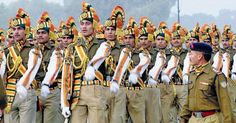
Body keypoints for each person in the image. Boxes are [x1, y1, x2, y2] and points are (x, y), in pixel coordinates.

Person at [61, 2, 108, 123]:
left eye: (87, 23)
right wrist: (64, 103)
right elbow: (65, 76)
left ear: (94, 26)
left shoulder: (103, 44)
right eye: (81, 24)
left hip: (96, 90)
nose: (84, 27)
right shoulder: (72, 47)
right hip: (77, 92)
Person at [180, 42, 233, 123]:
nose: (189, 57)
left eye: (191, 54)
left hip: (211, 120)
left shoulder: (216, 75)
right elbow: (188, 101)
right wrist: (183, 119)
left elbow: (225, 102)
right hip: (193, 119)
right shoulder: (192, 74)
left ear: (199, 56)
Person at [5, 8, 42, 123]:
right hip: (9, 93)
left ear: (26, 31)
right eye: (14, 29)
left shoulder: (34, 50)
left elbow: (36, 72)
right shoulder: (7, 51)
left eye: (19, 29)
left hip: (27, 92)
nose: (16, 32)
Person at [35, 12, 63, 123]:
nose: (40, 35)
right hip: (36, 92)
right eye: (38, 33)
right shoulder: (33, 50)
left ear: (49, 34)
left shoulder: (56, 50)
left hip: (52, 92)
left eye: (43, 33)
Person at [102, 5, 125, 123]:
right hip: (101, 87)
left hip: (118, 86)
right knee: (102, 118)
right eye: (107, 29)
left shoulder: (122, 48)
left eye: (113, 29)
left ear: (117, 31)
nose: (110, 32)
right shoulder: (99, 47)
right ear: (104, 31)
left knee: (117, 119)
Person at [161, 22, 188, 123]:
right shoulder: (165, 54)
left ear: (182, 39)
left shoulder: (188, 53)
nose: (176, 40)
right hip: (169, 86)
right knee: (168, 114)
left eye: (178, 38)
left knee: (184, 113)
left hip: (183, 85)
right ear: (170, 40)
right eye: (173, 38)